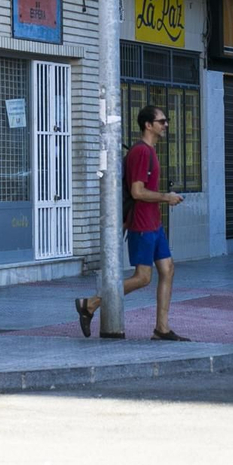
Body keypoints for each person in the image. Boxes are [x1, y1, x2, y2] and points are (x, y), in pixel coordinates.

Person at [76, 104, 186, 341]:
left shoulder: (151, 151)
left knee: (168, 270)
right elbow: (137, 191)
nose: (165, 125)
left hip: (154, 223)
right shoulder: (141, 152)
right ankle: (91, 303)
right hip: (142, 223)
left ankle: (162, 329)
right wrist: (166, 197)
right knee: (143, 277)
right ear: (148, 125)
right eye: (162, 121)